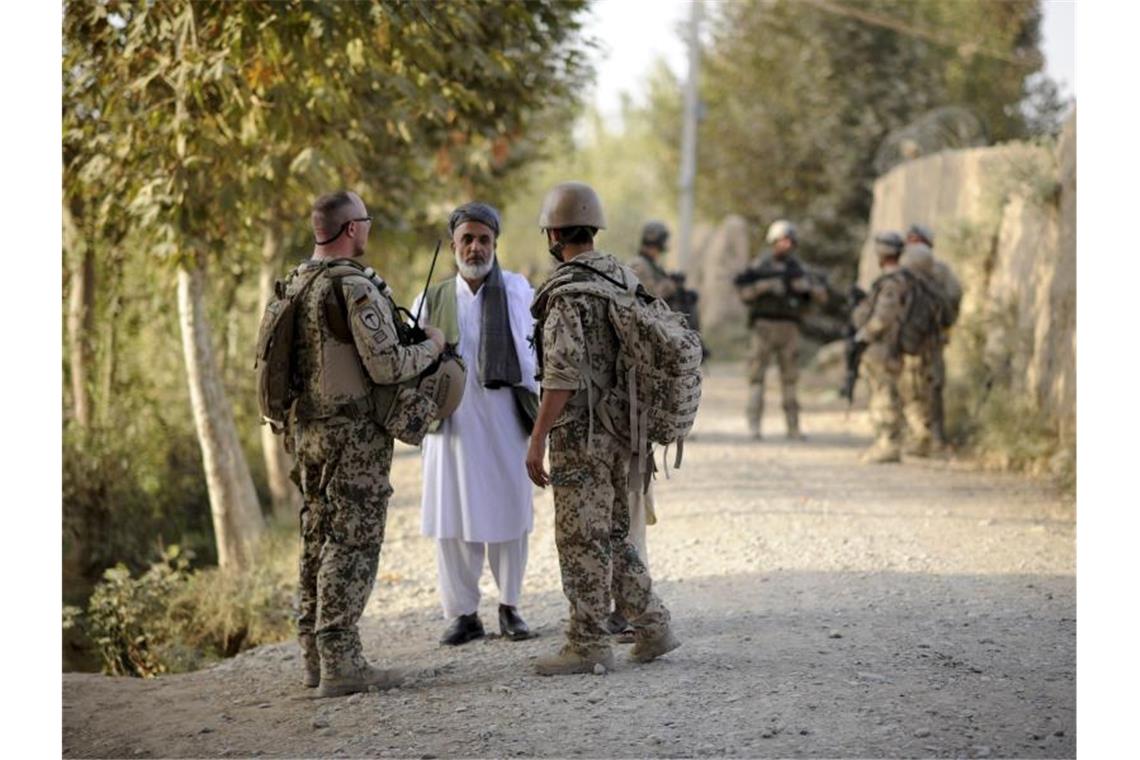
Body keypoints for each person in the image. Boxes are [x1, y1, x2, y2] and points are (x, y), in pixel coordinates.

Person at [290, 191, 446, 697]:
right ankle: (342, 662)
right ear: (352, 228)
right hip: (352, 435)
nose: (369, 229)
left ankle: (314, 659)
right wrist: (431, 346)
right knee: (352, 540)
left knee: (317, 534)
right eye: (366, 222)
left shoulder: (296, 282)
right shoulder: (352, 287)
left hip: (307, 431)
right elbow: (386, 366)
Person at [526, 181, 680, 675]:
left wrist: (537, 439)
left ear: (554, 233)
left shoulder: (567, 293)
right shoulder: (623, 278)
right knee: (615, 533)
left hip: (581, 434)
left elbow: (561, 376)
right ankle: (653, 626)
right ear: (594, 228)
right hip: (623, 429)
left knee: (580, 538)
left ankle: (588, 643)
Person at [412, 202, 538, 646]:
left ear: (495, 244)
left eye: (484, 239)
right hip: (452, 427)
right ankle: (463, 614)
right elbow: (411, 364)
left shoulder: (519, 290)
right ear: (453, 245)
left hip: (504, 420)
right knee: (452, 519)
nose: (476, 246)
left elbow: (532, 357)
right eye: (467, 238)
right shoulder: (431, 298)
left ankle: (510, 606)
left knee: (509, 511)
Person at [734, 219, 827, 440]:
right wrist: (763, 287)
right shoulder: (759, 266)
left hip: (789, 328)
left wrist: (808, 289)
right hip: (763, 327)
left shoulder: (799, 269)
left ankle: (793, 427)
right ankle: (754, 426)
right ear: (773, 241)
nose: (787, 245)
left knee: (790, 379)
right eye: (783, 240)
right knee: (757, 377)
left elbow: (822, 296)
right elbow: (743, 293)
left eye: (790, 241)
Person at [902, 223, 963, 453]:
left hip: (912, 340)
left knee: (914, 388)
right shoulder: (942, 271)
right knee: (932, 386)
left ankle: (922, 437)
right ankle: (933, 437)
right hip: (933, 338)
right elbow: (954, 299)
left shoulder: (903, 271)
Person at [851, 231, 910, 464]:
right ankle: (883, 443)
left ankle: (889, 445)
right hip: (884, 347)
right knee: (880, 393)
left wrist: (864, 335)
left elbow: (884, 317)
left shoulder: (892, 284)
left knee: (884, 395)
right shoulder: (893, 281)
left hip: (884, 347)